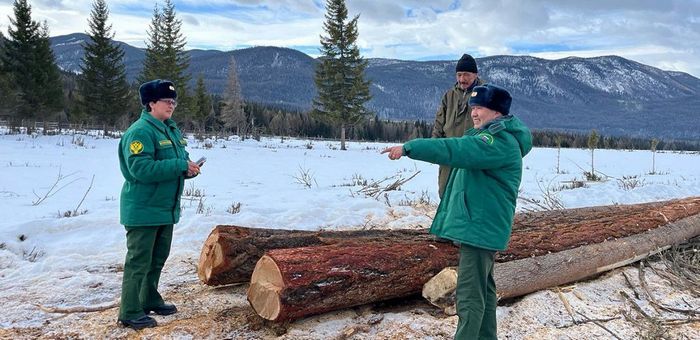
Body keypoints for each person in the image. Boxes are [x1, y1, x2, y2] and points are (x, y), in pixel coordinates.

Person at [382, 84, 532, 339]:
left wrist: (410, 148)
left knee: (469, 295)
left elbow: (454, 150)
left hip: (480, 228)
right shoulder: (489, 137)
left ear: (497, 112)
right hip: (480, 226)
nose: (474, 113)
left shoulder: (495, 142)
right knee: (483, 290)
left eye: (480, 108)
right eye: (473, 108)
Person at [117, 79, 201, 330]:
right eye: (167, 101)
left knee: (157, 259)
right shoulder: (141, 132)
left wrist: (188, 169)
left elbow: (178, 159)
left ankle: (149, 299)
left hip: (164, 208)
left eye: (174, 101)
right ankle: (130, 311)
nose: (172, 105)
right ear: (151, 103)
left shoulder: (169, 129)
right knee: (139, 261)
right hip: (143, 209)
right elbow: (140, 168)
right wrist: (178, 166)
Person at [433, 53, 485, 198]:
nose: (462, 79)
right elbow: (439, 123)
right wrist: (435, 147)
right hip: (449, 152)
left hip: (473, 152)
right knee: (446, 192)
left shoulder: (485, 94)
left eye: (466, 75)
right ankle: (447, 220)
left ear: (475, 74)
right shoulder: (449, 95)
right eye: (459, 75)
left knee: (470, 195)